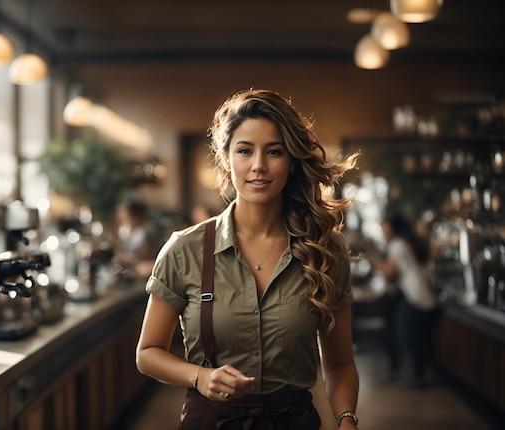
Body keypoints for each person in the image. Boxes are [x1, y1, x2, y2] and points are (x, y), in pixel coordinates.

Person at [136, 89, 360, 429]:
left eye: (274, 151)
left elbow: (340, 364)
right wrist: (199, 377)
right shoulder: (185, 250)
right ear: (227, 158)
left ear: (292, 161)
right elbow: (147, 353)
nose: (259, 165)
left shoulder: (325, 251)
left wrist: (346, 421)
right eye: (245, 150)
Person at [372, 212, 437, 388]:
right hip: (427, 297)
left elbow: (391, 274)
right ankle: (418, 376)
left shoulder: (397, 245)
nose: (383, 233)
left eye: (384, 229)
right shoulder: (411, 242)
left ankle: (416, 378)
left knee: (407, 337)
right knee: (420, 338)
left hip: (414, 298)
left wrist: (375, 264)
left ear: (392, 228)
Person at [114, 199, 159, 278]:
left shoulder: (146, 231)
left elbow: (147, 255)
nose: (124, 220)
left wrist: (126, 259)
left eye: (126, 216)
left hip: (148, 273)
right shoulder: (135, 232)